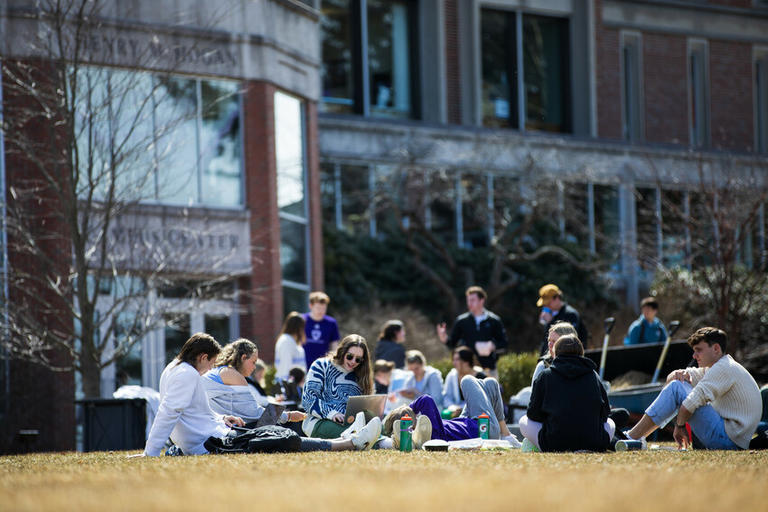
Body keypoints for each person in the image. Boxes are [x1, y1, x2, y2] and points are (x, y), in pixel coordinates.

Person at [204, 338, 379, 452]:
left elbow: (250, 413)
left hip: (219, 433)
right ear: (242, 357)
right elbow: (255, 414)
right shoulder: (233, 374)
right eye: (253, 362)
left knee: (286, 435)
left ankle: (357, 438)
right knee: (288, 437)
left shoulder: (219, 373)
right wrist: (288, 416)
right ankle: (353, 442)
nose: (254, 367)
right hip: (227, 435)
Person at [623, 327, 762, 450]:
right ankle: (634, 436)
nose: (694, 356)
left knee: (677, 388)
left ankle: (631, 437)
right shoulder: (716, 368)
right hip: (732, 438)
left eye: (699, 350)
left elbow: (689, 404)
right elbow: (672, 380)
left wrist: (679, 426)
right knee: (677, 385)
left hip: (728, 440)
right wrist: (679, 373)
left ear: (716, 349)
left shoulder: (723, 368)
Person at [141, 333, 245, 456]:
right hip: (207, 443)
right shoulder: (187, 374)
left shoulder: (173, 368)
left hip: (205, 438)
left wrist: (221, 418)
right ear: (203, 357)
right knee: (264, 437)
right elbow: (168, 413)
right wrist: (151, 452)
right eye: (211, 363)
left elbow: (193, 413)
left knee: (259, 433)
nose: (211, 369)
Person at [520, 334, 614, 452]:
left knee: (523, 421)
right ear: (581, 352)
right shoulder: (593, 375)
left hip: (554, 444)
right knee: (611, 422)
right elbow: (605, 414)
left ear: (555, 352)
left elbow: (533, 414)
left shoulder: (545, 376)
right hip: (593, 443)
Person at [383, 375, 517, 445]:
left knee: (490, 384)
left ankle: (506, 434)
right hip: (482, 429)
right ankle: (505, 435)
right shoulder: (433, 435)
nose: (418, 417)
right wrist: (408, 409)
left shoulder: (431, 430)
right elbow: (426, 400)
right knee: (467, 381)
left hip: (468, 423)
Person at [301, 334, 376, 439]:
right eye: (350, 356)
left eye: (358, 359)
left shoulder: (362, 375)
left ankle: (388, 440)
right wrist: (333, 414)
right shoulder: (321, 365)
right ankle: (387, 443)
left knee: (368, 431)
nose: (353, 361)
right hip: (319, 422)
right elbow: (308, 400)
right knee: (359, 435)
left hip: (353, 424)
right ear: (342, 351)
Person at [436, 285, 508, 376]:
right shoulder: (462, 321)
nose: (469, 303)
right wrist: (444, 339)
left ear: (482, 300)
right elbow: (452, 343)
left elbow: (504, 344)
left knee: (491, 390)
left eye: (472, 300)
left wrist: (492, 346)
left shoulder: (494, 320)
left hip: (489, 370)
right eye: (468, 300)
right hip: (468, 371)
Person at [537, 283, 589, 355]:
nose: (546, 306)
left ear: (557, 298)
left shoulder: (570, 314)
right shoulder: (551, 314)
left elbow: (567, 341)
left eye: (548, 303)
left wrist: (550, 322)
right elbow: (547, 342)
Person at [442, 347, 487, 414]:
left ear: (466, 361)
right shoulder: (452, 375)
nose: (454, 363)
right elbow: (446, 397)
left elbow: (481, 401)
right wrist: (452, 407)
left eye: (457, 360)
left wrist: (462, 408)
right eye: (453, 360)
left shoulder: (480, 377)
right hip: (455, 412)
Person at [302, 291, 341, 368]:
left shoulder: (331, 323)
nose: (321, 311)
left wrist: (334, 363)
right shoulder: (302, 320)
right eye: (318, 308)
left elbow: (334, 346)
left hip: (322, 366)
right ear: (310, 306)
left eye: (324, 308)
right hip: (302, 364)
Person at [274, 311, 307, 381]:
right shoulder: (286, 341)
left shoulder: (291, 341)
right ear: (298, 328)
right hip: (288, 385)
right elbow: (286, 367)